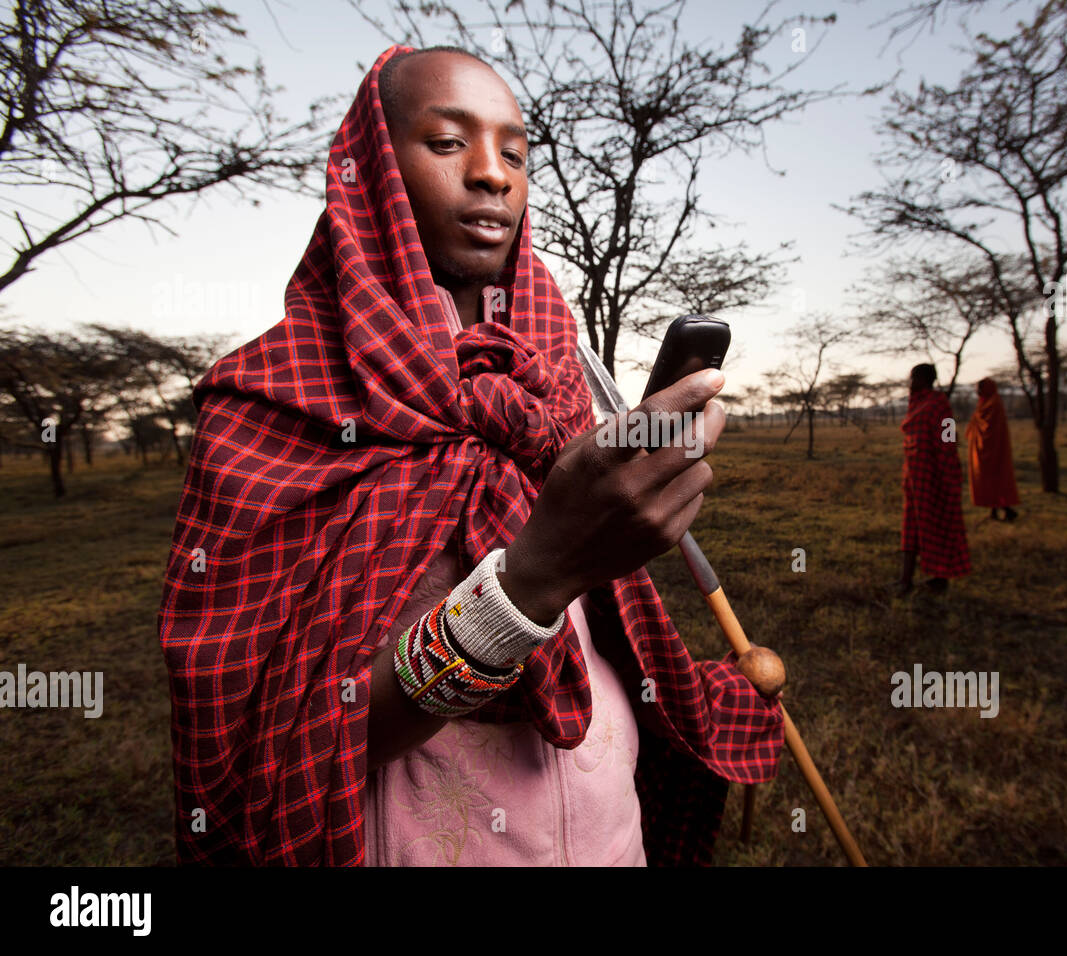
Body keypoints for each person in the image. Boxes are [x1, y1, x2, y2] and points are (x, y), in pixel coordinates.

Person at [157, 45, 785, 866]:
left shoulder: (557, 375)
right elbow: (275, 739)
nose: (493, 175)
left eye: (516, 153)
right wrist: (533, 580)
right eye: (449, 143)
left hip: (604, 820)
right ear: (372, 172)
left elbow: (602, 640)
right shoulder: (276, 401)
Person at [896, 363, 971, 595]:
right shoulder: (915, 403)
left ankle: (940, 579)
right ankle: (905, 581)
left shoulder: (939, 405)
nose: (910, 383)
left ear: (924, 379)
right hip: (915, 478)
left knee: (937, 527)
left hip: (935, 477)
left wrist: (948, 472)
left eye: (913, 378)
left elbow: (948, 439)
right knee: (911, 528)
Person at [967, 378, 1019, 522]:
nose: (977, 392)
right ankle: (994, 512)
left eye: (979, 388)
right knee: (988, 481)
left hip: (995, 450)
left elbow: (990, 429)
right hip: (983, 451)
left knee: (995, 480)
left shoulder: (994, 404)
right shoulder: (984, 403)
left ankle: (1007, 510)